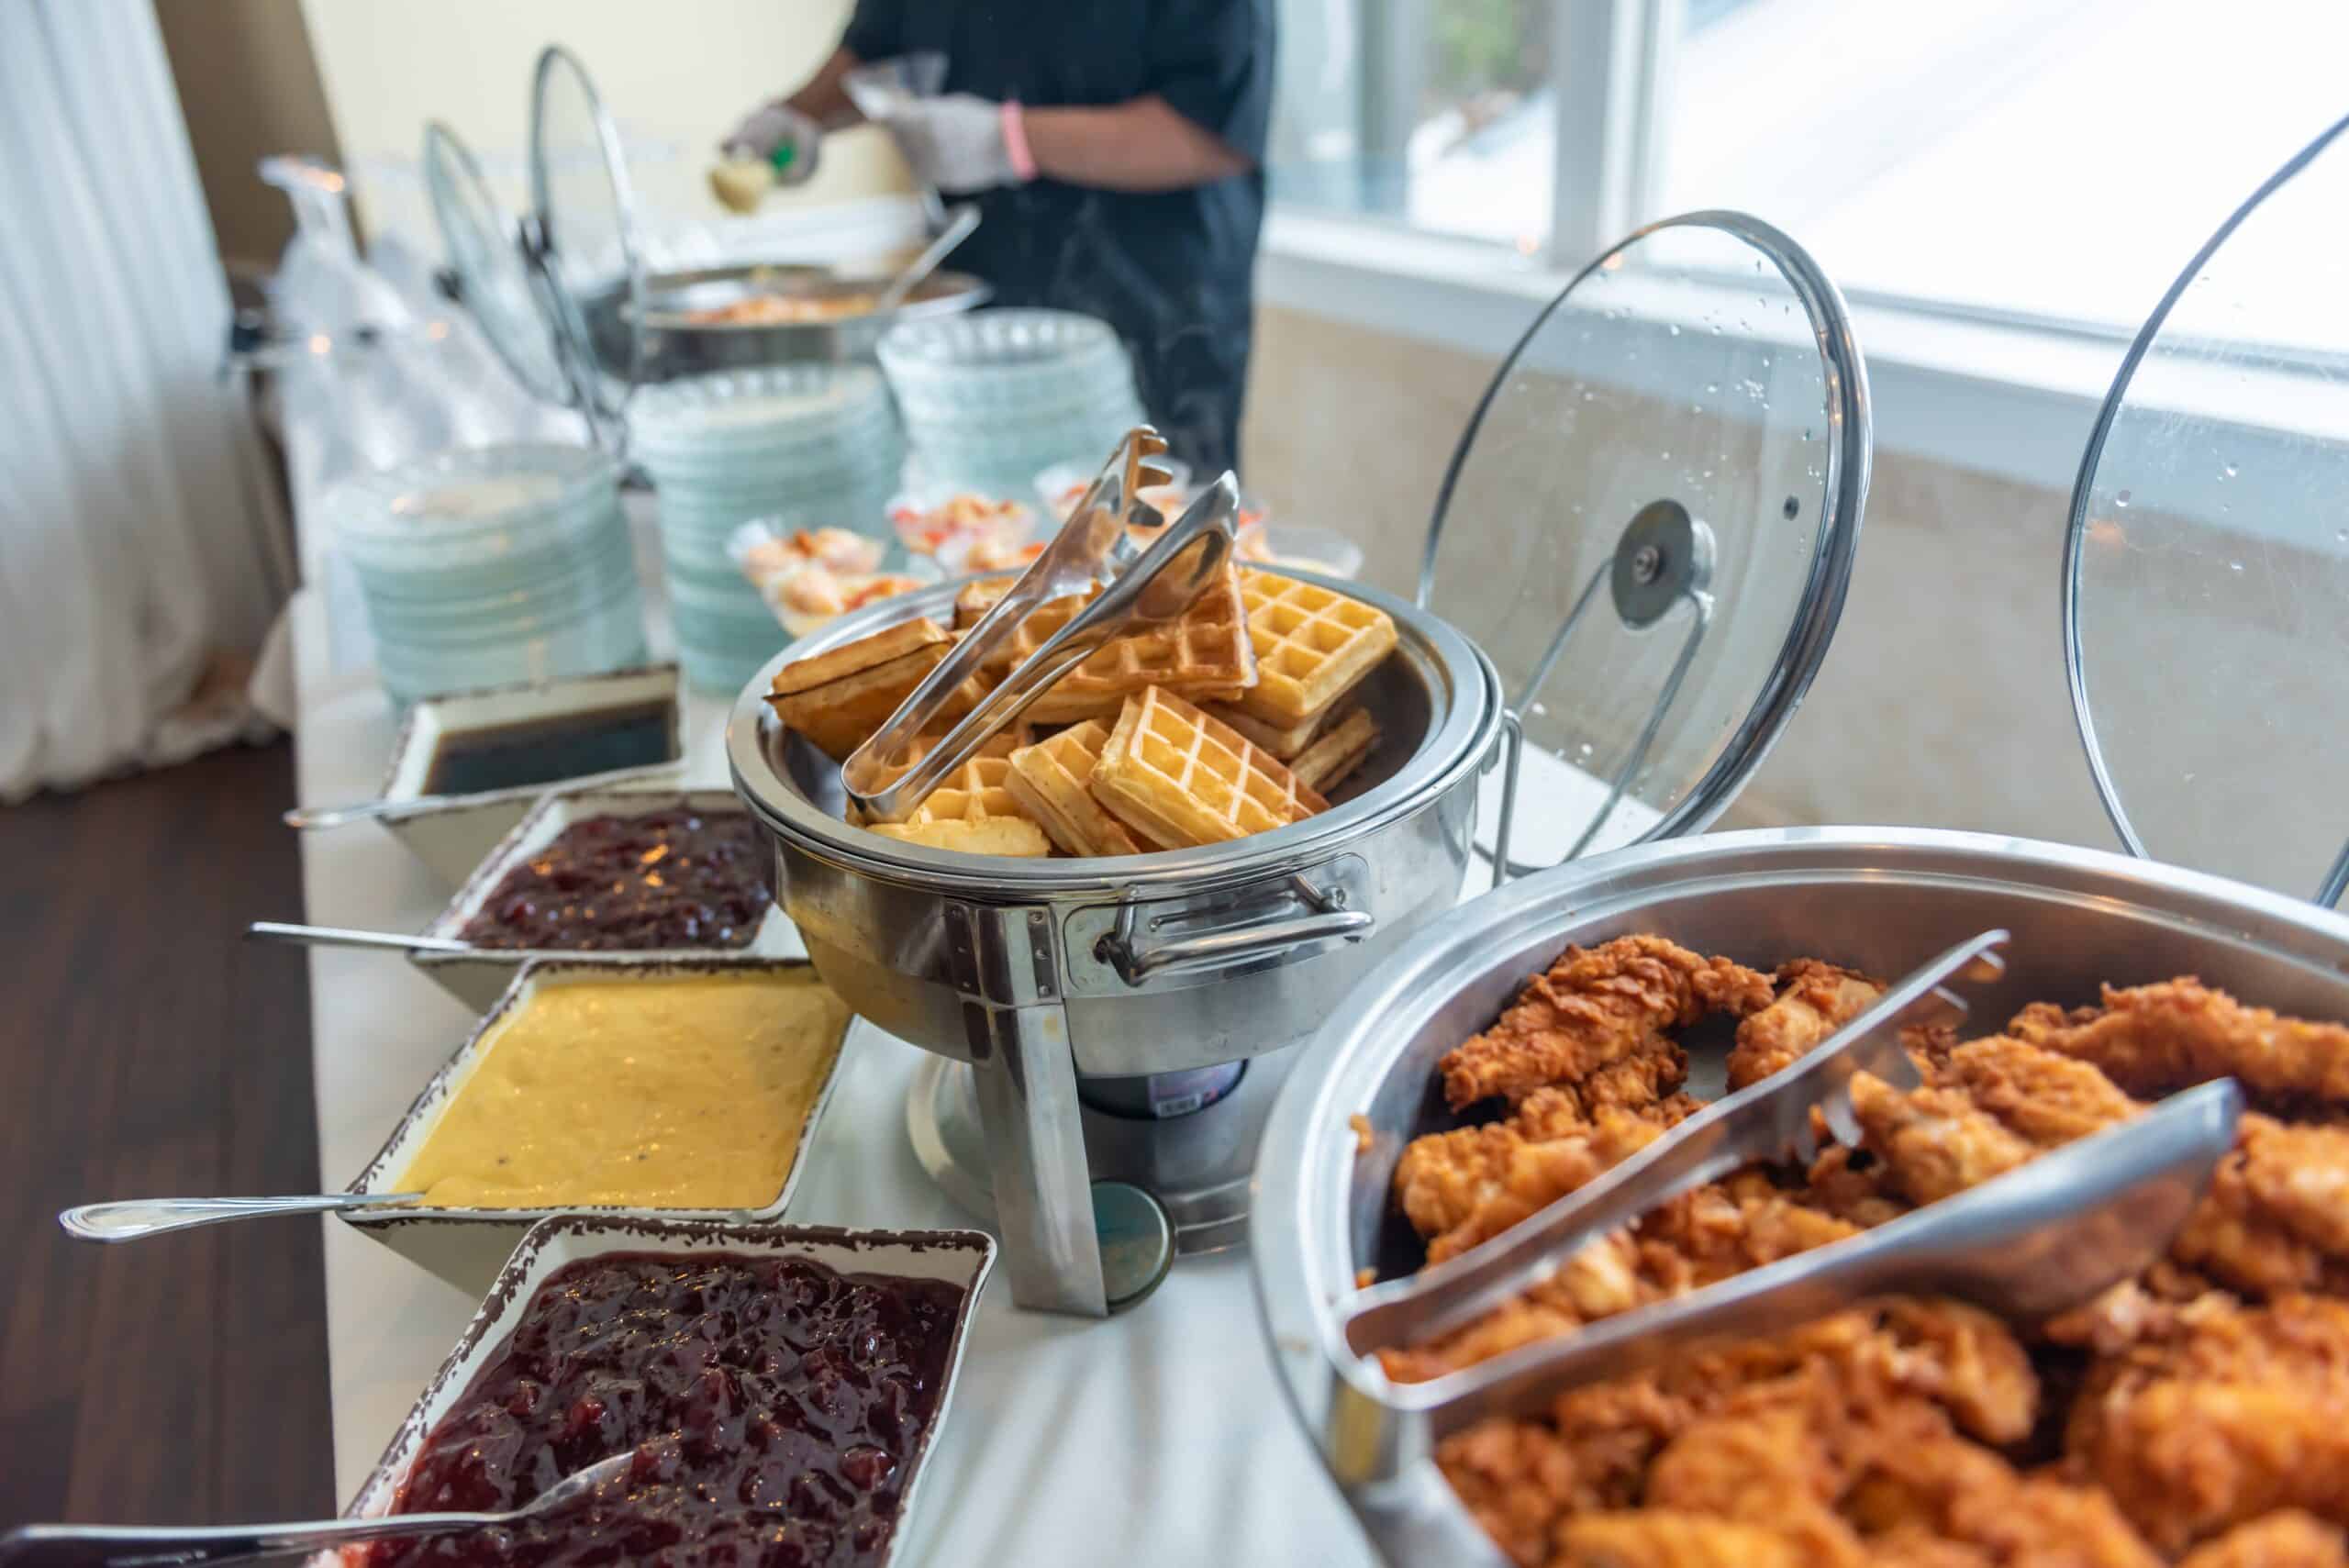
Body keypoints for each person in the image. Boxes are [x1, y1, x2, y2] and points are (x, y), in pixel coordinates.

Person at [722, 2, 1275, 477]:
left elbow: (1214, 130)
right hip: (981, 314)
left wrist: (1008, 140)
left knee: (1153, 556)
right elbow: (877, 42)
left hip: (1154, 323)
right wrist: (799, 117)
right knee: (983, 531)